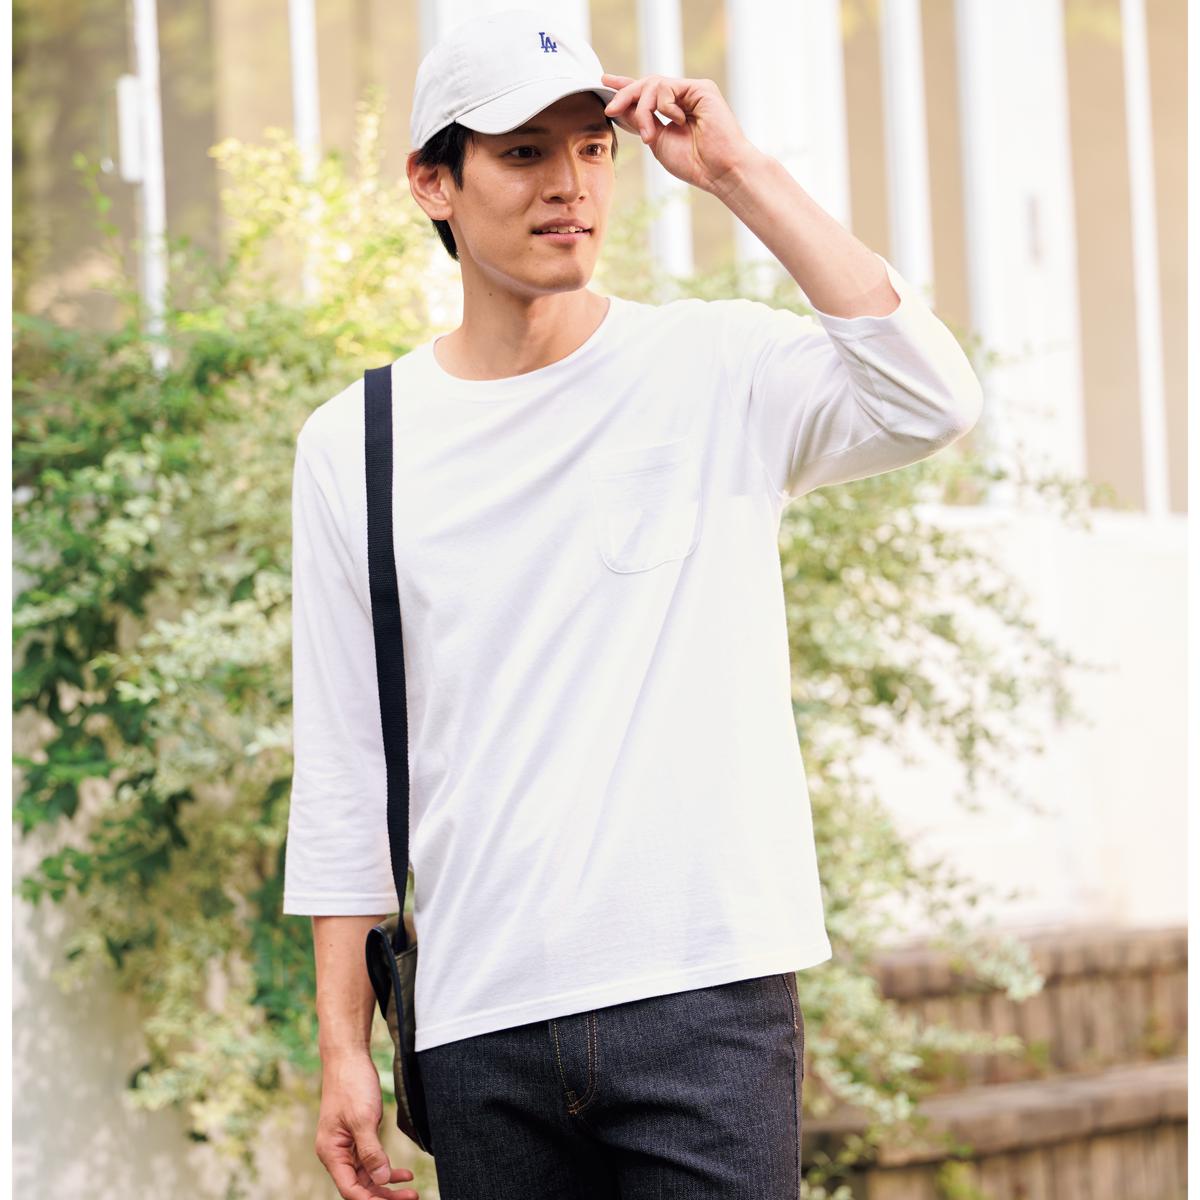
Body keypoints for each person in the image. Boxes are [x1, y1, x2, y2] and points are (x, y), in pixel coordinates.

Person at [282, 7, 984, 1199]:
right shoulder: (358, 442)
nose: (570, 185)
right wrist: (344, 1048)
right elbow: (346, 766)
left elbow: (931, 399)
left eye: (591, 149)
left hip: (704, 1000)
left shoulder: (712, 368)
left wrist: (740, 174)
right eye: (522, 153)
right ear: (432, 182)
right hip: (481, 1021)